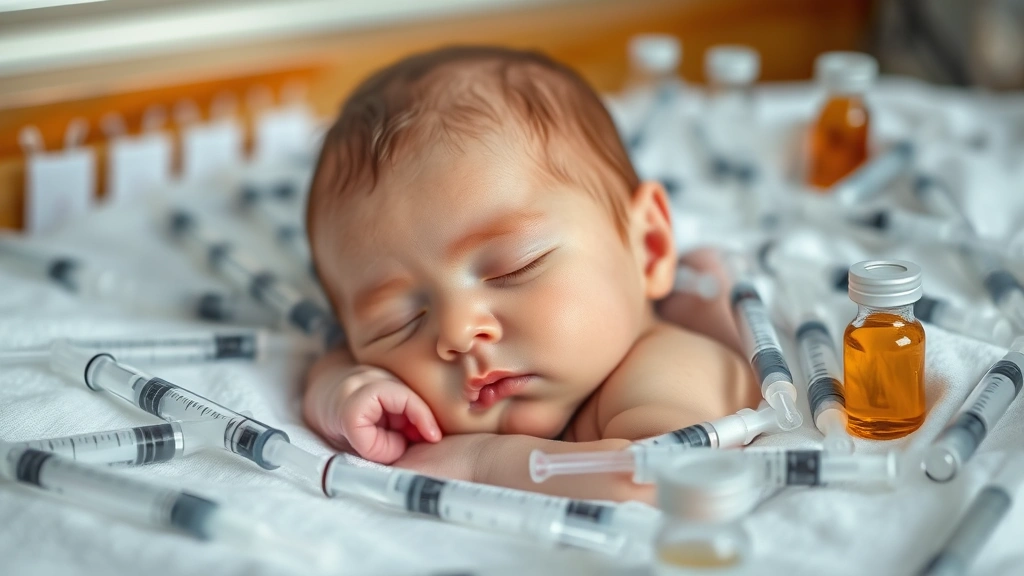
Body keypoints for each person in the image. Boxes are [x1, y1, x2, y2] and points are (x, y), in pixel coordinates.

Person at [303, 46, 759, 502]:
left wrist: (478, 462)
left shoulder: (669, 368)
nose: (459, 333)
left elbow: (659, 479)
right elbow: (337, 354)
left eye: (514, 267)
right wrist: (341, 390)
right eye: (398, 322)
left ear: (650, 249)